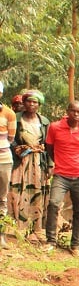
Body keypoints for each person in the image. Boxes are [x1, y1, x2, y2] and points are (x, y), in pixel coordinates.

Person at [45, 100, 79, 255]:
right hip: (61, 175)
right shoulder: (54, 127)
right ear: (67, 111)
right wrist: (59, 162)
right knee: (53, 204)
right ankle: (50, 241)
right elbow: (50, 148)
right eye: (74, 111)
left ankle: (75, 245)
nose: (77, 114)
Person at [10, 90, 51, 242]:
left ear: (39, 105)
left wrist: (51, 164)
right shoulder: (16, 119)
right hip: (21, 160)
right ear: (24, 103)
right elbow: (10, 137)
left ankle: (37, 228)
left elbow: (48, 144)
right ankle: (19, 226)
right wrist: (17, 149)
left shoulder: (45, 121)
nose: (31, 104)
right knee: (18, 191)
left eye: (35, 102)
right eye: (29, 101)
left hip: (39, 161)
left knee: (38, 192)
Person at [0, 82, 16, 250]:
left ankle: (1, 235)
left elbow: (11, 138)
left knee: (2, 198)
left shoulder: (9, 114)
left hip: (3, 159)